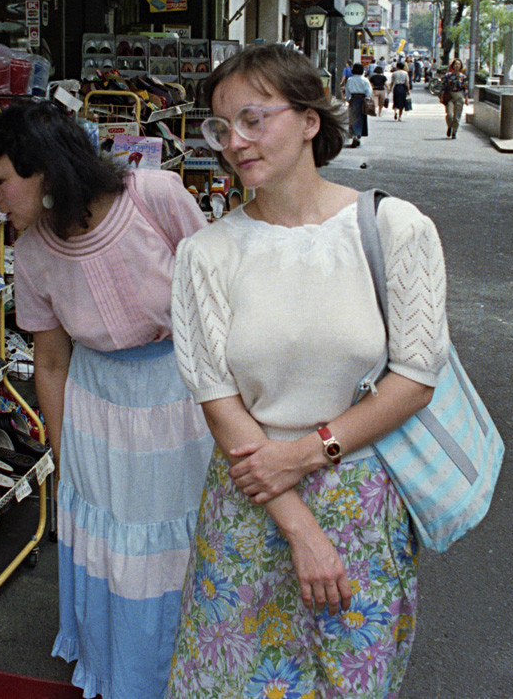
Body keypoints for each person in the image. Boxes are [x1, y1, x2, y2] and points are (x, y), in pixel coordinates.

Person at [164, 43, 448, 699]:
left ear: (311, 121)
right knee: (232, 677)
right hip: (251, 496)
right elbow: (217, 397)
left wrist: (308, 453)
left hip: (358, 496)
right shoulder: (206, 254)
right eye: (220, 126)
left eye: (253, 119)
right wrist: (295, 518)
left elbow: (415, 375)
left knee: (349, 678)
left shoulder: (395, 229)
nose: (234, 142)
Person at [0, 101, 213, 699]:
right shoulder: (31, 254)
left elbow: (218, 296)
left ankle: (197, 664)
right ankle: (124, 668)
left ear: (45, 169)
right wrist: (63, 449)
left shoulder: (155, 196)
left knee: (182, 533)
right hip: (97, 407)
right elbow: (50, 361)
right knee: (115, 537)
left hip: (183, 395)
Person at [343, 62, 370, 147]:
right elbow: (369, 90)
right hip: (362, 100)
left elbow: (347, 90)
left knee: (353, 117)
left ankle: (354, 135)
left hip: (353, 99)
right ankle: (358, 136)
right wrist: (367, 98)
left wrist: (348, 98)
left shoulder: (350, 79)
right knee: (361, 118)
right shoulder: (365, 80)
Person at [441, 58, 468, 139]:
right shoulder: (448, 76)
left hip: (459, 96)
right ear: (452, 65)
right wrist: (442, 96)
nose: (457, 66)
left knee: (457, 116)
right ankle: (449, 126)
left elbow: (465, 88)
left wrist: (466, 98)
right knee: (449, 114)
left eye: (458, 64)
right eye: (455, 64)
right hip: (450, 96)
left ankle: (454, 132)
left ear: (460, 66)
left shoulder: (463, 77)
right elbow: (443, 86)